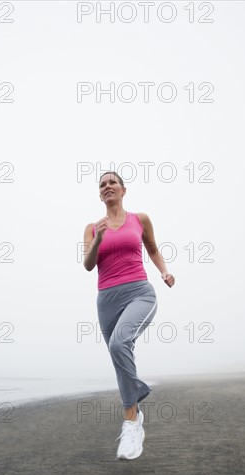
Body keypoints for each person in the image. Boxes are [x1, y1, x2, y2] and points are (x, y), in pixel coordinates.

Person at [83, 171, 175, 460]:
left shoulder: (140, 219)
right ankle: (136, 407)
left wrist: (164, 271)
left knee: (119, 344)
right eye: (102, 184)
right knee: (120, 356)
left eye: (112, 182)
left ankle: (131, 423)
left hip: (139, 292)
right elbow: (88, 265)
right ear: (100, 195)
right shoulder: (92, 227)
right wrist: (97, 240)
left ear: (123, 190)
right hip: (106, 298)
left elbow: (152, 247)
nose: (107, 186)